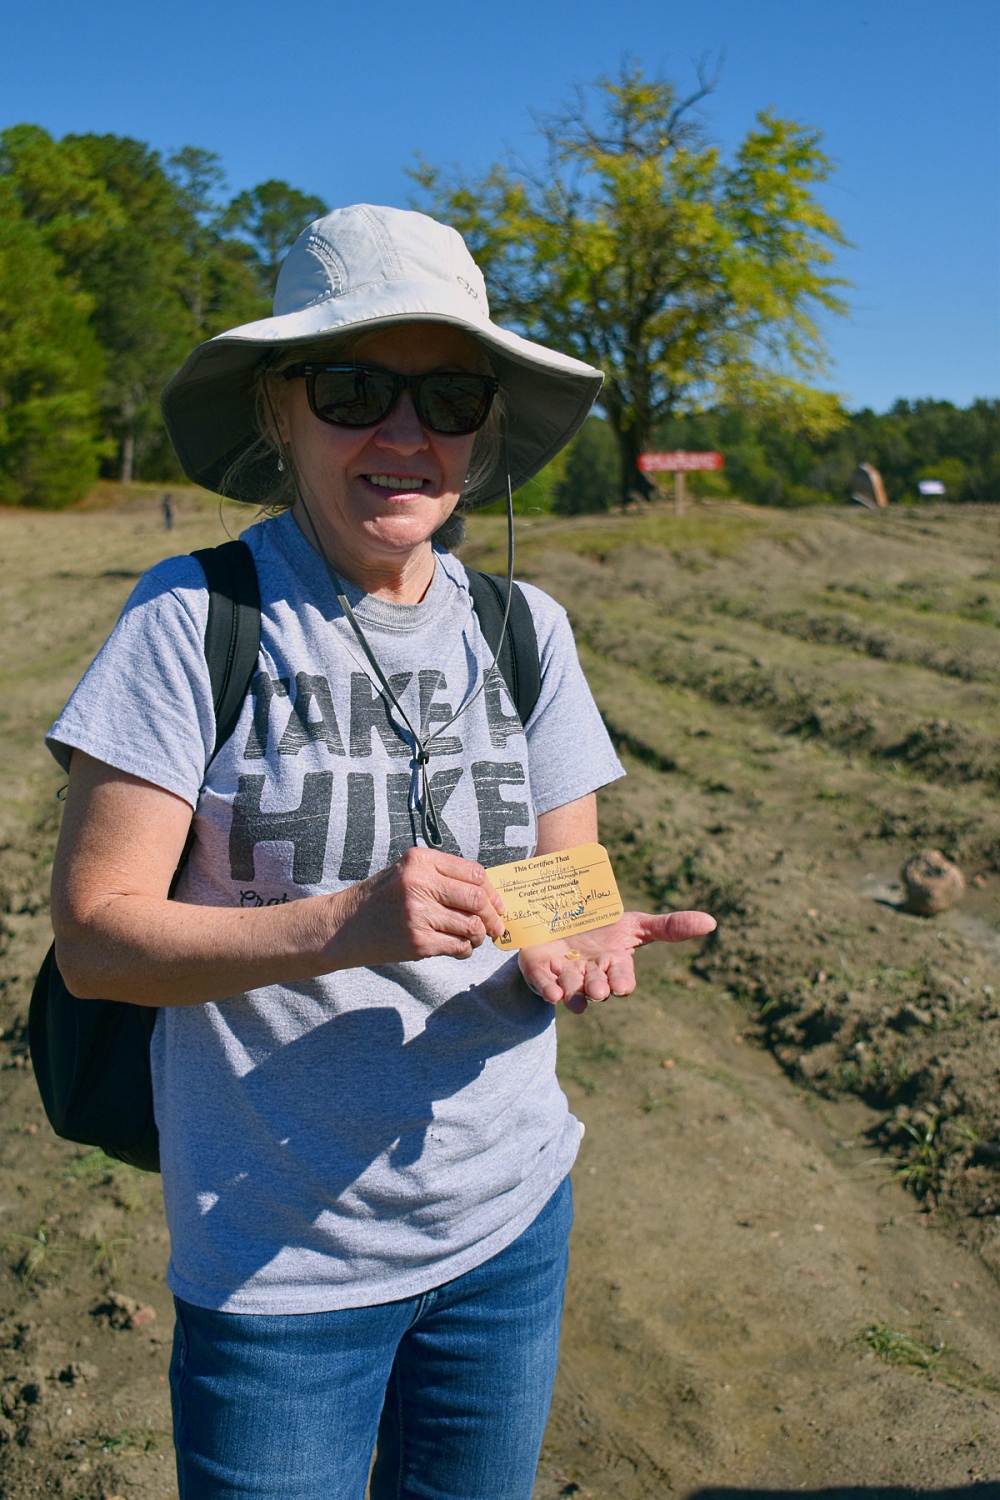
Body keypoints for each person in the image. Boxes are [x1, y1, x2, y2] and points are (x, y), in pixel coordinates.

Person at [47, 205, 715, 1500]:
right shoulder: (194, 619)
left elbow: (561, 880)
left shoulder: (528, 627)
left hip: (510, 1224)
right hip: (276, 1263)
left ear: (483, 426)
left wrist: (570, 943)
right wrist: (345, 923)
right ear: (281, 408)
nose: (406, 435)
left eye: (449, 395)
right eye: (356, 388)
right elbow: (94, 943)